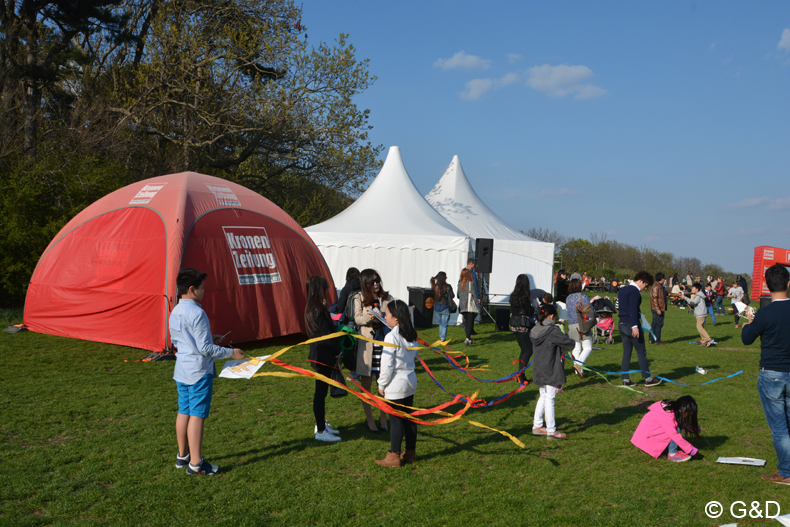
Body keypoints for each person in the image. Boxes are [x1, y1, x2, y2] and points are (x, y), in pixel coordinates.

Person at [170, 268, 244, 476]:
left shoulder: (175, 311)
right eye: (202, 288)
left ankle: (182, 455)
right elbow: (205, 349)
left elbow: (182, 340)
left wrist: (210, 338)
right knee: (197, 415)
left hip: (182, 370)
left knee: (184, 410)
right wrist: (231, 353)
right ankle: (196, 463)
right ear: (192, 289)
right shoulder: (197, 312)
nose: (204, 292)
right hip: (198, 372)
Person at [742, 264, 790, 484]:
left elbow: (747, 338)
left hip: (772, 374)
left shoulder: (765, 312)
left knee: (780, 427)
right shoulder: (766, 313)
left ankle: (786, 472)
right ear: (788, 284)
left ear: (767, 286)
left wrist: (748, 326)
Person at [375, 300, 420, 467]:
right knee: (408, 418)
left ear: (396, 318)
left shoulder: (391, 336)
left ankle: (393, 456)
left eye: (387, 314)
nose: (384, 316)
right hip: (409, 381)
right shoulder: (411, 333)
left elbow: (387, 365)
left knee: (395, 420)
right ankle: (410, 453)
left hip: (396, 384)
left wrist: (381, 385)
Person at [352, 269, 393, 433]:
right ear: (365, 283)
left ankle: (383, 418)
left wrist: (386, 316)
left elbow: (394, 314)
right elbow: (357, 318)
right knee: (366, 385)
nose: (376, 284)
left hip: (384, 345)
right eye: (372, 281)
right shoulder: (359, 298)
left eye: (377, 280)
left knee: (383, 384)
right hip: (367, 347)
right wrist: (370, 317)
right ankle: (370, 420)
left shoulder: (387, 298)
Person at [304, 275, 343, 443]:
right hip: (323, 357)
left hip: (319, 355)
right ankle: (320, 431)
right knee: (320, 394)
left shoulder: (312, 307)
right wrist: (337, 353)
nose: (328, 290)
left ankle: (321, 425)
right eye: (325, 287)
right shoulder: (317, 309)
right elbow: (327, 336)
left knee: (321, 393)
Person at [530, 304, 576, 439]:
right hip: (550, 369)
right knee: (549, 398)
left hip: (539, 369)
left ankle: (537, 425)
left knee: (543, 396)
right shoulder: (552, 331)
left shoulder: (534, 330)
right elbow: (570, 343)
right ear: (551, 317)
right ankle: (551, 430)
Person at [618, 271, 662, 387]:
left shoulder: (623, 289)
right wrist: (634, 326)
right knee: (641, 352)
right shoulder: (634, 292)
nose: (645, 288)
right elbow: (632, 310)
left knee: (626, 353)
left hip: (622, 324)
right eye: (646, 285)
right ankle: (648, 379)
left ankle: (626, 380)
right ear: (641, 281)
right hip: (631, 325)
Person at [631, 396, 700, 462]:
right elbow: (674, 435)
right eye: (689, 414)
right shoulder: (667, 416)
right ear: (683, 409)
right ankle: (673, 454)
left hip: (644, 438)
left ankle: (662, 449)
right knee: (675, 431)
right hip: (646, 441)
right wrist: (691, 449)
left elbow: (677, 422)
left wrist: (691, 428)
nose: (688, 416)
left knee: (676, 431)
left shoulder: (668, 410)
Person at [510, 274, 536, 384]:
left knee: (524, 350)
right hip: (523, 326)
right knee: (529, 350)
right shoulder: (524, 296)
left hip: (514, 325)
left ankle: (521, 375)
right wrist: (531, 305)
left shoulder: (513, 296)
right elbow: (530, 311)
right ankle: (521, 374)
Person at [565, 278, 594, 377]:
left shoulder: (568, 298)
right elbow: (590, 309)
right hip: (582, 324)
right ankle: (579, 365)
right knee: (588, 347)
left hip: (571, 325)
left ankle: (578, 370)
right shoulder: (583, 296)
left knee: (576, 349)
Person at [683, 283, 713, 347]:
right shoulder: (699, 295)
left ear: (697, 289)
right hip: (701, 313)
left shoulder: (698, 295)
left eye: (693, 288)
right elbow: (695, 304)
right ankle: (704, 340)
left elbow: (693, 302)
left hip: (701, 314)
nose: (692, 289)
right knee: (701, 327)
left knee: (699, 327)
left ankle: (708, 339)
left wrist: (685, 297)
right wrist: (691, 305)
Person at [457, 268, 480, 347]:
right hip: (469, 306)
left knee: (468, 322)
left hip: (462, 306)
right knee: (470, 323)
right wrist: (478, 306)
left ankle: (469, 338)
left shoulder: (460, 284)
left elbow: (458, 295)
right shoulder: (471, 284)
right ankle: (467, 338)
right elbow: (474, 295)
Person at [431, 272, 454, 342]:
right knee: (444, 324)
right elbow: (452, 295)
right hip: (445, 307)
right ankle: (442, 338)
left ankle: (441, 337)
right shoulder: (448, 286)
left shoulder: (435, 286)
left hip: (436, 307)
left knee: (441, 323)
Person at [649, 272, 667, 345]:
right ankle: (657, 340)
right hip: (658, 308)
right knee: (658, 324)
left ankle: (652, 339)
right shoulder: (656, 287)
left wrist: (678, 295)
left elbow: (666, 293)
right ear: (662, 279)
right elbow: (654, 299)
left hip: (658, 308)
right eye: (664, 278)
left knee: (654, 324)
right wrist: (658, 309)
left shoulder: (660, 286)